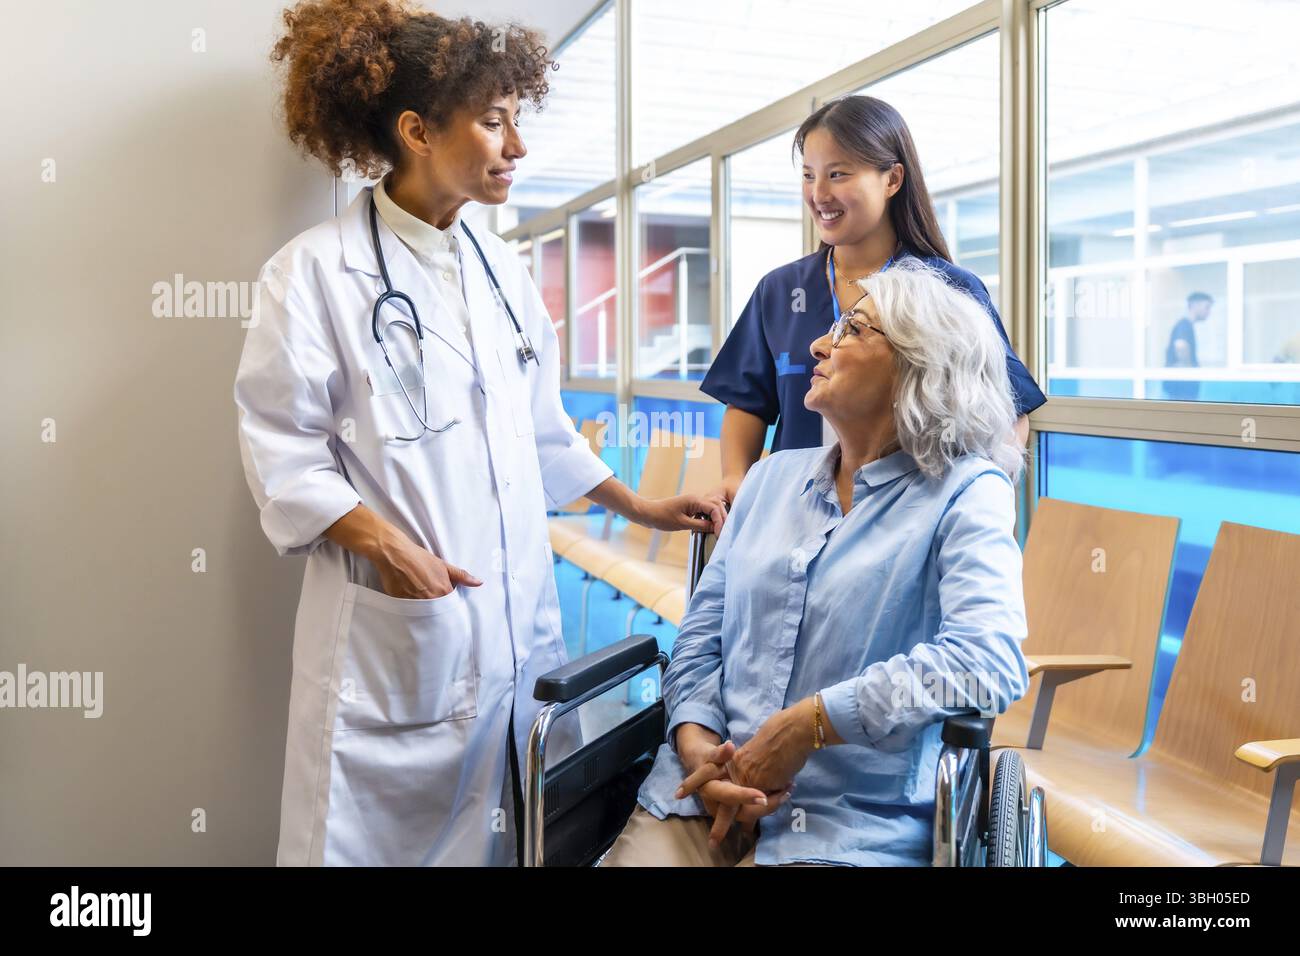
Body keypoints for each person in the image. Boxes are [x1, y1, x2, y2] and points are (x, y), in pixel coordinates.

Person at [234, 0, 723, 867]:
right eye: (494, 123)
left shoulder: (503, 269)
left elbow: (542, 432)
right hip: (399, 639)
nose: (516, 147)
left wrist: (642, 506)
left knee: (503, 840)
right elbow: (282, 453)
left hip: (508, 637)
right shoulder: (313, 274)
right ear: (419, 130)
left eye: (515, 121)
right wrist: (387, 545)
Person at [600, 259, 1030, 866]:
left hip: (848, 824)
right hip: (702, 795)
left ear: (920, 364)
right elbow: (699, 641)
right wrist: (698, 747)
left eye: (853, 330)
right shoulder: (770, 479)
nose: (818, 343)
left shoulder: (966, 491)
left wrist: (811, 724)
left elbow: (988, 661)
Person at [702, 96, 1045, 510]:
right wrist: (735, 480)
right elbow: (748, 403)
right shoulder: (780, 290)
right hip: (793, 512)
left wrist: (972, 499)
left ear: (892, 179)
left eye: (838, 174)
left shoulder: (947, 289)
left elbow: (1009, 412)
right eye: (809, 175)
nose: (819, 194)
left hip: (903, 520)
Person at [1163, 291, 1212, 400]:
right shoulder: (1184, 325)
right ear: (1194, 305)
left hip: (1182, 388)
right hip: (1182, 389)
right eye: (1207, 307)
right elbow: (1180, 345)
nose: (1209, 312)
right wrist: (1189, 368)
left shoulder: (1186, 325)